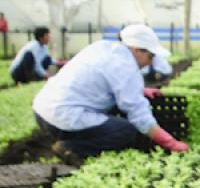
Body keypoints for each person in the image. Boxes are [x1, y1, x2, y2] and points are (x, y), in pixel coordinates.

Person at [33, 24, 189, 162]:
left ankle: (68, 140)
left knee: (115, 115)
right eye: (150, 56)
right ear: (136, 50)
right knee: (126, 131)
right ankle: (73, 147)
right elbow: (141, 117)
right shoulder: (127, 68)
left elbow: (105, 81)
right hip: (63, 120)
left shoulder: (103, 47)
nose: (151, 62)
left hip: (42, 112)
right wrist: (171, 143)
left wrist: (139, 90)